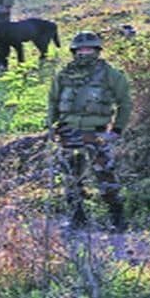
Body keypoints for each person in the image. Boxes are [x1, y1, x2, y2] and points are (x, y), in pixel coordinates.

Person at [47, 31, 133, 231]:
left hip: (97, 134)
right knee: (70, 177)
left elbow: (125, 103)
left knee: (105, 176)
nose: (84, 53)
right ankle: (77, 218)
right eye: (81, 50)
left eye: (89, 49)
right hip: (68, 133)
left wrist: (117, 129)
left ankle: (117, 219)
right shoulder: (64, 75)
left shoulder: (111, 75)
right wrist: (51, 127)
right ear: (74, 52)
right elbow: (53, 102)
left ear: (97, 50)